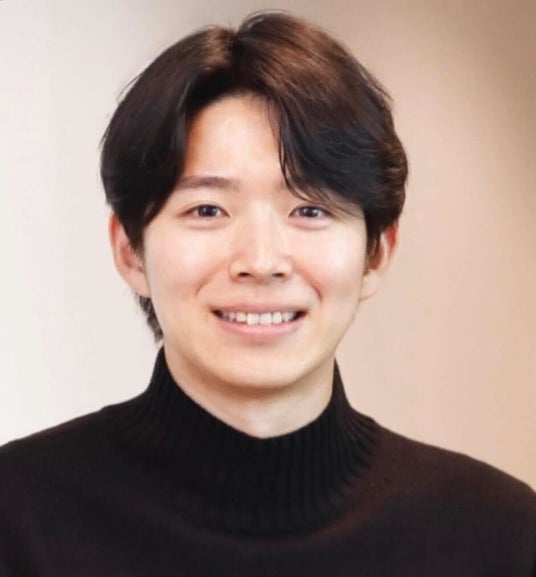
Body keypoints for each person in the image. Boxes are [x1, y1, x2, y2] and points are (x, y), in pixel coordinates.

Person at [0, 11, 534, 577]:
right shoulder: (18, 520)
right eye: (208, 210)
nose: (260, 261)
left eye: (310, 209)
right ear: (131, 251)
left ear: (377, 252)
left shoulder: (498, 536)